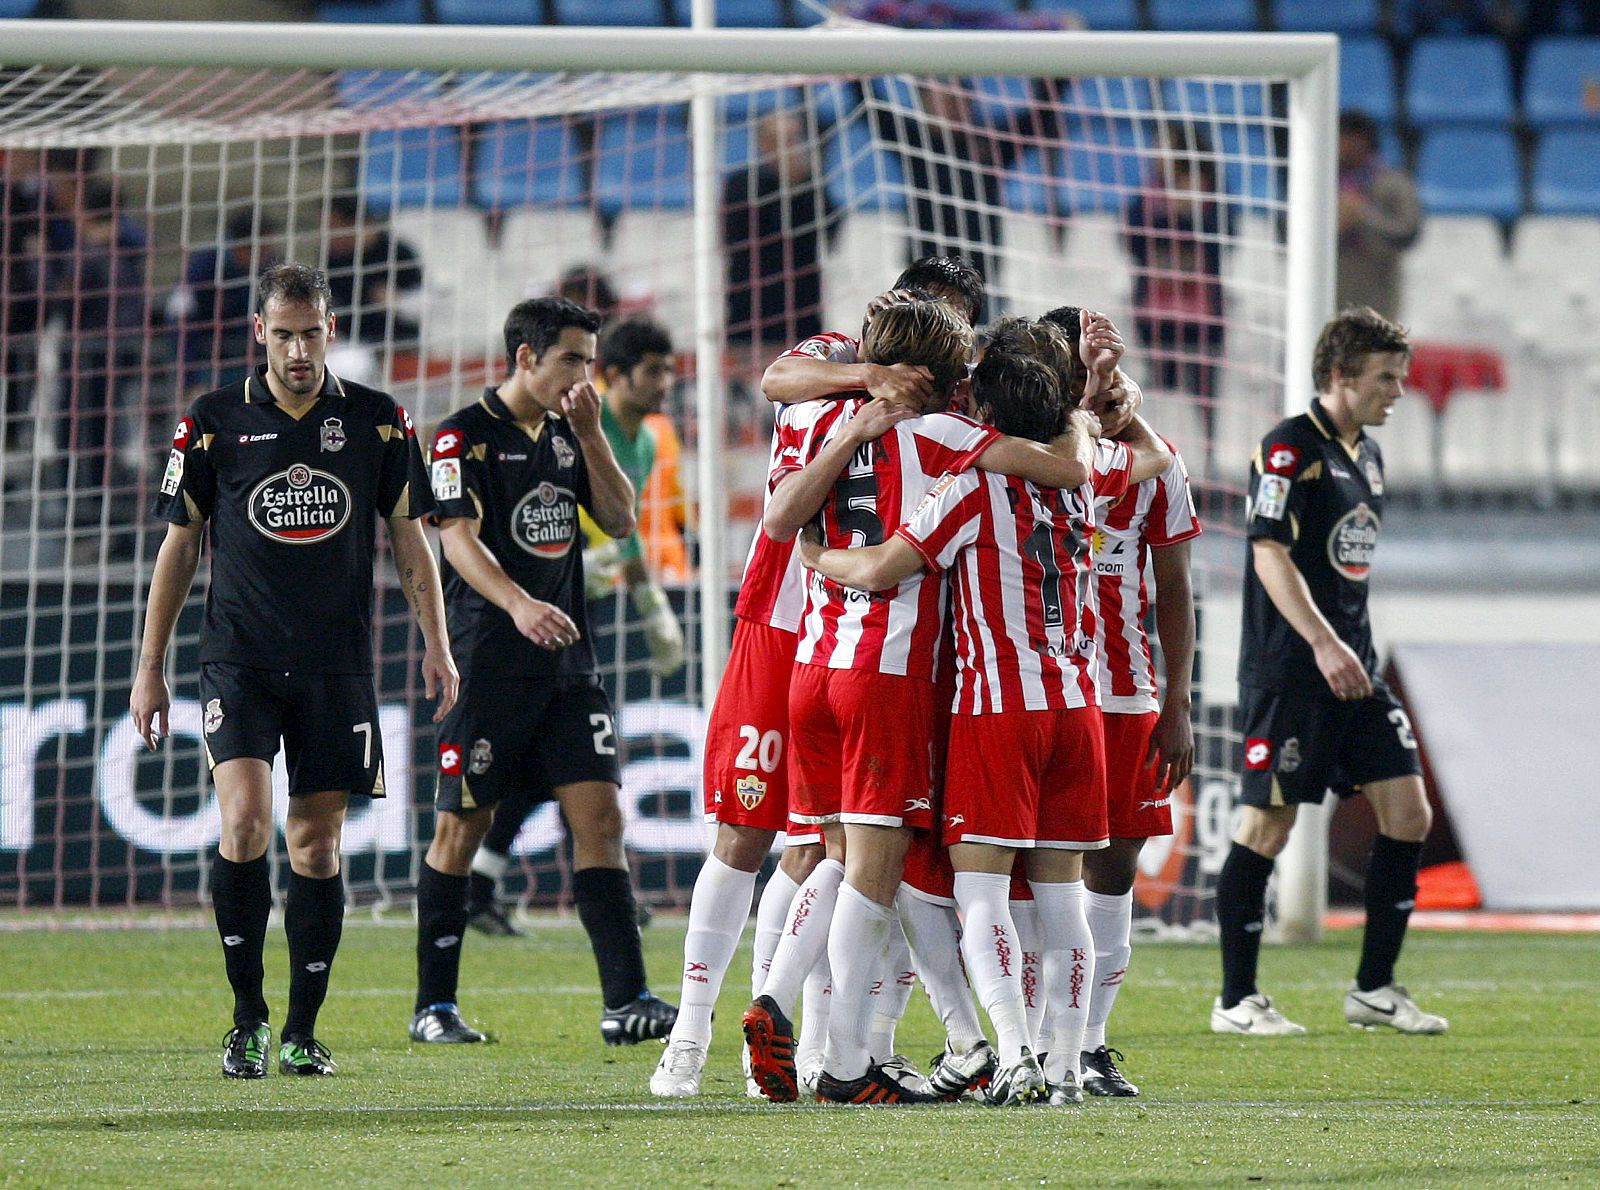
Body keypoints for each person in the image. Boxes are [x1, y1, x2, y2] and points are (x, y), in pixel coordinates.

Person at [798, 319, 1172, 1106]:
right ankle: (1068, 1068)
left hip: (997, 709)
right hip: (1080, 705)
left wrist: (817, 556)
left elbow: (879, 567)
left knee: (982, 894)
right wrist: (1101, 397)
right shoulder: (1093, 471)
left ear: (988, 413)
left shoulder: (971, 482)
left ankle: (1010, 1054)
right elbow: (1159, 458)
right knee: (1065, 898)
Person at [746, 300, 1102, 1106]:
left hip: (814, 662)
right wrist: (1081, 416)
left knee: (835, 860)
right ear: (950, 382)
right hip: (896, 673)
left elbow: (778, 520)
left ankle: (783, 996)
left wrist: (817, 553)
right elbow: (1072, 471)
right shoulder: (955, 447)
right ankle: (842, 1063)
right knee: (877, 875)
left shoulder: (814, 423)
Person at [130, 262, 458, 1079]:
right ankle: (247, 1018)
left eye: (313, 333)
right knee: (243, 824)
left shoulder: (379, 422)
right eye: (285, 335)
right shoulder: (213, 421)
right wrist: (150, 668)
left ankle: (304, 1029)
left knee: (316, 846)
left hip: (337, 667)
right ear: (260, 333)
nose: (300, 350)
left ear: (332, 330)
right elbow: (180, 546)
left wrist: (437, 642)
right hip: (237, 658)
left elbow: (410, 538)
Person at [409, 296, 678, 1049]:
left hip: (568, 666)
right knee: (463, 827)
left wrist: (592, 434)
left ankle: (626, 1000)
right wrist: (519, 602)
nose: (583, 375)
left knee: (600, 817)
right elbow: (454, 540)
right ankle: (434, 1006)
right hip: (487, 660)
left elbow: (621, 520)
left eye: (589, 361)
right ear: (525, 357)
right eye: (571, 359)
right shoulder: (462, 435)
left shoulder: (572, 430)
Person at [1212, 306, 1446, 1038]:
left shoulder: (1367, 454)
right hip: (1294, 668)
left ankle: (1374, 989)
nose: (1398, 392)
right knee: (1267, 825)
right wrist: (1320, 642)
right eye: (1386, 378)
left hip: (1354, 667)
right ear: (1340, 376)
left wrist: (1348, 649)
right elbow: (1268, 552)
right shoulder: (1288, 450)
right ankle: (1236, 1001)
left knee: (1409, 812)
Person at [463, 317, 685, 936]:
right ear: (615, 376)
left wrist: (647, 600)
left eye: (670, 369)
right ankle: (592, 890)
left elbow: (625, 521)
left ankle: (488, 882)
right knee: (567, 756)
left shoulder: (644, 439)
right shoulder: (581, 426)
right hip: (529, 606)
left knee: (565, 756)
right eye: (653, 370)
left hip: (590, 603)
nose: (666, 383)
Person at [1040, 304, 1202, 1097]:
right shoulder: (1022, 447)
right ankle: (1018, 1039)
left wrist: (1177, 702)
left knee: (1113, 868)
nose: (1108, 384)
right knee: (1019, 870)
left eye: (1114, 370)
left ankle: (1089, 1042)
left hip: (1126, 693)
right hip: (1030, 686)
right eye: (1093, 368)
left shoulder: (1154, 467)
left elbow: (1174, 588)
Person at [1122, 129, 1227, 418]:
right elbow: (1131, 242)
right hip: (1156, 314)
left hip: (1203, 316)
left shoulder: (1211, 195)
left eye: (1164, 145)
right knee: (1155, 392)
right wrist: (1170, 215)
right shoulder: (1146, 198)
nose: (1157, 154)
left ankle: (1208, 458)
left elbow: (1225, 242)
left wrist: (1191, 214)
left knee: (1205, 395)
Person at [723, 109, 839, 353]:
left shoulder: (812, 187)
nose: (790, 149)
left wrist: (802, 183)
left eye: (795, 140)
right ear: (762, 143)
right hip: (749, 317)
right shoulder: (742, 184)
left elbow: (831, 235)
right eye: (783, 140)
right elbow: (734, 238)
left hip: (803, 316)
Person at [167, 207, 282, 396]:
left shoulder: (272, 270)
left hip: (253, 360)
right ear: (242, 245)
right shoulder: (202, 269)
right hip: (207, 362)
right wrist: (190, 381)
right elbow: (179, 322)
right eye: (262, 248)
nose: (266, 253)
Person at [1335, 111, 1421, 322]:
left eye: (1346, 138)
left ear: (1363, 140)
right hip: (1333, 285)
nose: (1340, 145)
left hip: (1378, 288)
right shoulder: (1320, 180)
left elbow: (1408, 233)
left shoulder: (1392, 182)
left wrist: (1363, 215)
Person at [323, 192, 423, 358]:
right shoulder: (333, 260)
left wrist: (397, 301)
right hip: (350, 347)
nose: (327, 235)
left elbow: (424, 304)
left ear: (352, 223)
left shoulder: (397, 253)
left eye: (332, 227)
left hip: (397, 345)